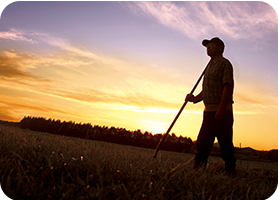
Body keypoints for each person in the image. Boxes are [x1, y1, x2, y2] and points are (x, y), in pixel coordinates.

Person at [186, 37, 236, 173]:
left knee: (225, 143)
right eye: (207, 46)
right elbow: (207, 90)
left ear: (220, 47)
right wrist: (194, 98)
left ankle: (230, 171)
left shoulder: (225, 64)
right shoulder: (208, 67)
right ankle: (199, 170)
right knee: (202, 142)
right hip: (208, 112)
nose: (208, 48)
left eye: (211, 45)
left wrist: (221, 108)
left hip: (222, 112)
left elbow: (227, 86)